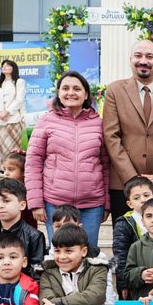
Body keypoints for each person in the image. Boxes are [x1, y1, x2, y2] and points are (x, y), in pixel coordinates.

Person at [25, 71, 109, 247]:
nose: (71, 92)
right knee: (61, 252)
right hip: (54, 202)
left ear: (86, 94)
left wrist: (106, 203)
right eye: (65, 88)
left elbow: (106, 164)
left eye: (77, 89)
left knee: (89, 253)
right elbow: (33, 161)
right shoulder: (47, 120)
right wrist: (35, 202)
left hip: (91, 204)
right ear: (58, 93)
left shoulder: (98, 123)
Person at [103, 40, 153, 220]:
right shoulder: (115, 91)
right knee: (125, 242)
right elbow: (111, 137)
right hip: (124, 184)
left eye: (149, 56)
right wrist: (133, 180)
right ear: (130, 59)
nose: (143, 61)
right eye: (138, 56)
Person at [0, 178, 46, 280]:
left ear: (22, 205)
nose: (0, 206)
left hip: (23, 291)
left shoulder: (34, 236)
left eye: (6, 201)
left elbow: (36, 273)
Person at [0, 59, 26, 162]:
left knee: (14, 148)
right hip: (0, 120)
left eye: (7, 65)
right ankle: (4, 170)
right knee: (3, 148)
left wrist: (7, 112)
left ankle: (16, 170)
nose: (4, 67)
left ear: (13, 68)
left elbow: (19, 100)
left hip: (14, 119)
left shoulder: (19, 82)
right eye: (3, 66)